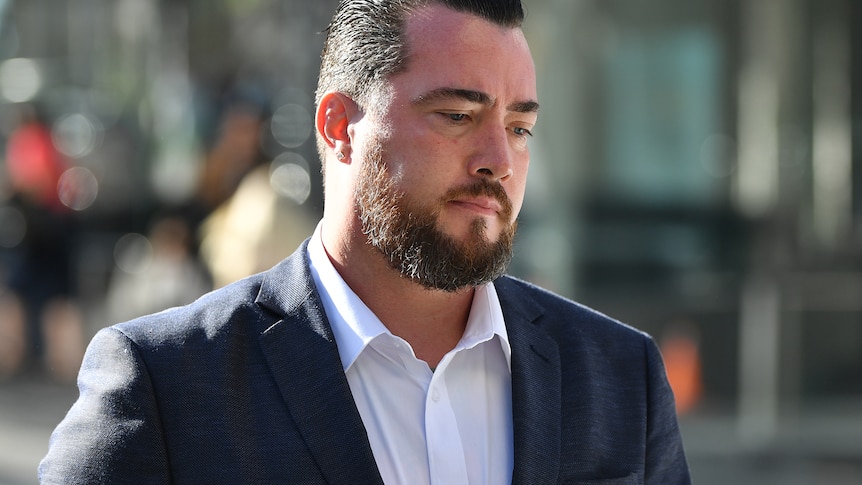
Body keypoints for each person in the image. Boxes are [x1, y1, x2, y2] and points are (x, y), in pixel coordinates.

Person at [40, 0, 691, 483]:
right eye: (458, 116)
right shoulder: (167, 383)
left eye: (519, 127)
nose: (499, 157)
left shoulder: (618, 375)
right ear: (340, 125)